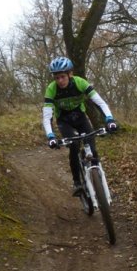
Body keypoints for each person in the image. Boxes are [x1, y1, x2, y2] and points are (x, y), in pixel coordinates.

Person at [42, 56, 117, 195]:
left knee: (92, 148)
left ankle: (101, 186)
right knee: (74, 146)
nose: (60, 81)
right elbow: (47, 116)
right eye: (56, 77)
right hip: (64, 121)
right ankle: (77, 182)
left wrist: (109, 119)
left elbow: (100, 102)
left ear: (70, 74)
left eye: (63, 77)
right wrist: (51, 136)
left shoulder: (80, 83)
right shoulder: (51, 89)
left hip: (80, 118)